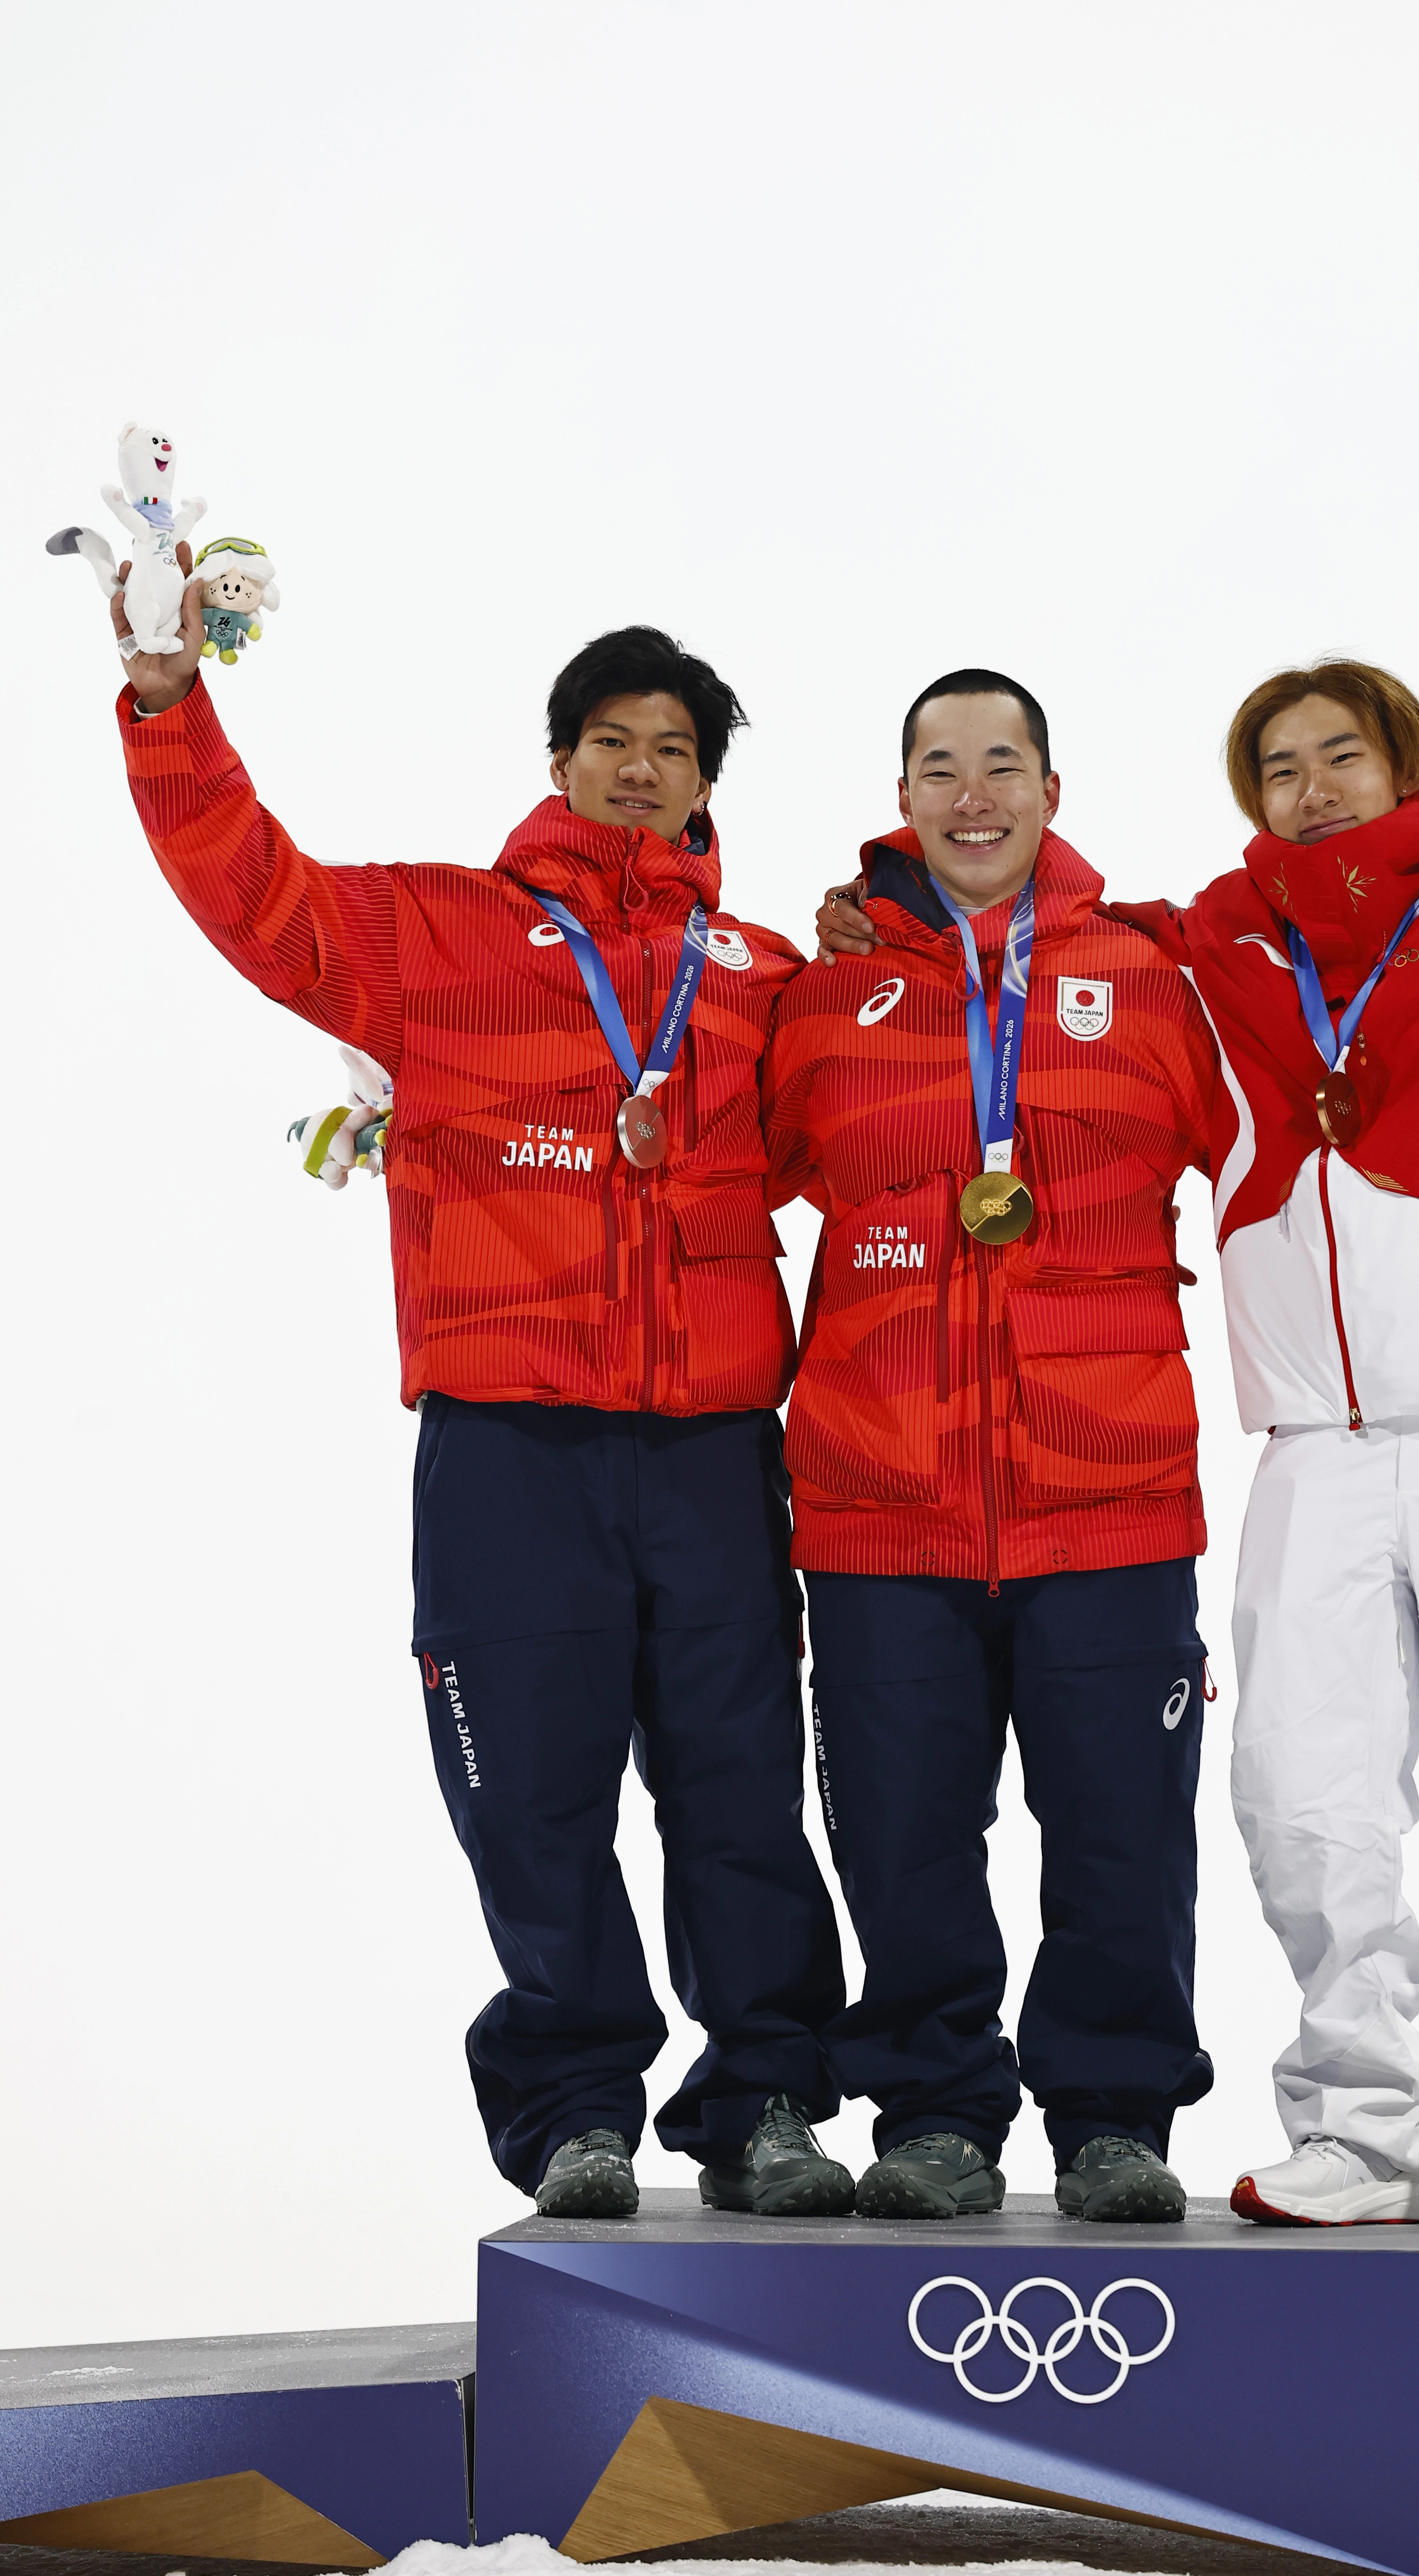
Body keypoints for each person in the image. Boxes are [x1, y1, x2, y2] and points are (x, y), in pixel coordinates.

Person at [816, 463, 1419, 2234]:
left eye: (1343, 758)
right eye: (1281, 769)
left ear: (1405, 765)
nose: (1313, 790)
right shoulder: (1211, 943)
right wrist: (879, 905)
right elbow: (1010, 935)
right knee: (1307, 1807)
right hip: (1315, 1449)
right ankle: (1368, 2127)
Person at [107, 573, 853, 2221]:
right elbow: (258, 895)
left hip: (717, 1445)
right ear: (561, 757)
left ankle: (768, 2104)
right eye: (611, 740)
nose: (642, 770)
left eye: (674, 747)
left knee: (739, 1788)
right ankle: (578, 2103)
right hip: (511, 1440)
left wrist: (886, 929)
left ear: (711, 779)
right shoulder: (438, 934)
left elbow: (864, 1114)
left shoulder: (760, 974)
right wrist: (172, 707)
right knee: (529, 1790)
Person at [764, 670, 1225, 2223]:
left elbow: (1283, 1144)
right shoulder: (821, 1000)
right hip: (880, 1498)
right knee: (902, 1836)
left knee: (1120, 1830)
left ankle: (1113, 2116)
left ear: (1051, 787)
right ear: (901, 802)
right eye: (940, 768)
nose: (973, 795)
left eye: (1002, 764)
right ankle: (935, 2112)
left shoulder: (1153, 980)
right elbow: (698, 1161)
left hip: (1109, 1492)